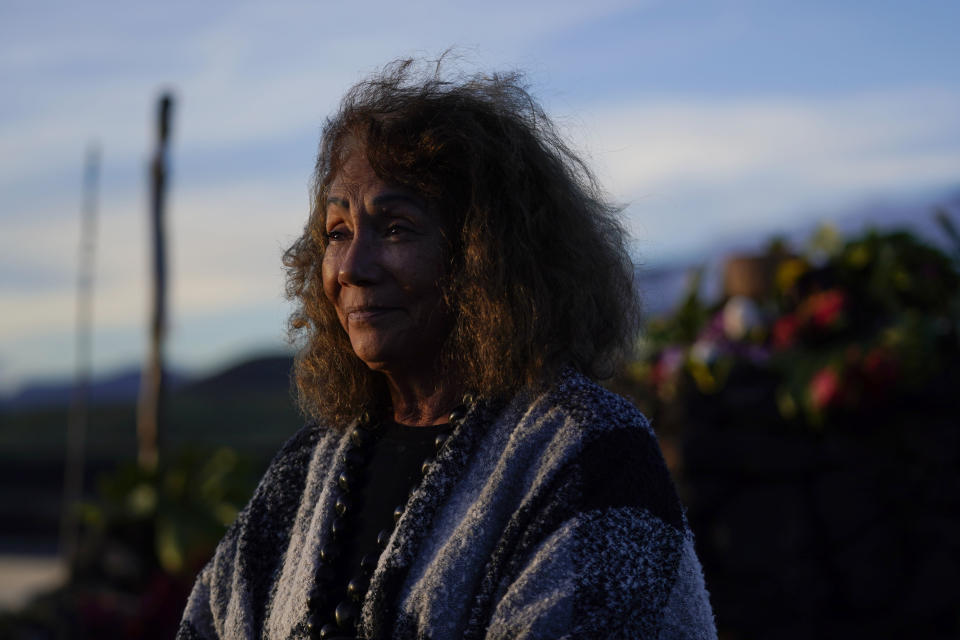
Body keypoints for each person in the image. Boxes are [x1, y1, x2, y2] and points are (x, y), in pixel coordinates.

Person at [177, 58, 716, 640]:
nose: (352, 267)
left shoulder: (590, 451)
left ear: (485, 255)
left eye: (396, 228)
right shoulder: (305, 472)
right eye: (337, 232)